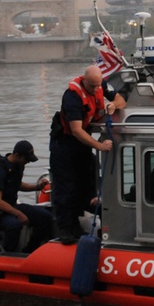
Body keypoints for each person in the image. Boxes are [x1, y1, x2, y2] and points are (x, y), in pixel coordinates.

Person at [50, 65, 126, 244]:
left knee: (88, 178)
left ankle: (87, 217)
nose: (96, 89)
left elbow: (121, 100)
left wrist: (113, 105)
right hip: (65, 143)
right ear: (84, 81)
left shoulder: (101, 85)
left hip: (83, 143)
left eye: (98, 85)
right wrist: (99, 146)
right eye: (92, 86)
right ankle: (65, 228)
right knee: (66, 186)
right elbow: (76, 130)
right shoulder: (72, 97)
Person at [0, 140, 55, 253]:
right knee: (14, 225)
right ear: (16, 155)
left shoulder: (18, 165)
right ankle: (8, 254)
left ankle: (30, 250)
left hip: (10, 206)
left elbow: (16, 184)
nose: (27, 162)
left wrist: (36, 187)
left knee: (45, 217)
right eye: (26, 159)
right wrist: (19, 214)